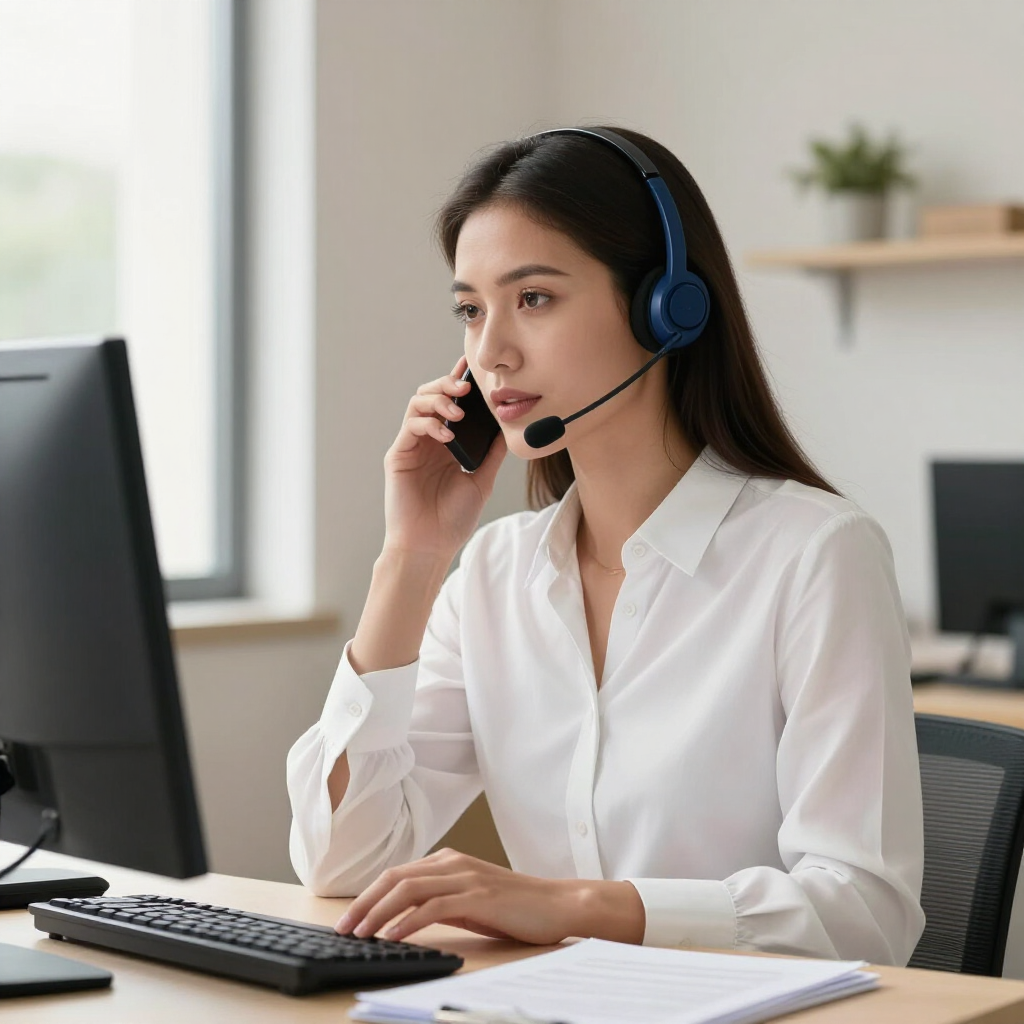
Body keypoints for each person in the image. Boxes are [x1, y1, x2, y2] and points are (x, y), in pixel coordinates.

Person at [286, 125, 925, 965]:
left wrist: (576, 906)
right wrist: (410, 556)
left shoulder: (814, 555)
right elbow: (341, 861)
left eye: (535, 299)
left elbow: (864, 913)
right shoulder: (493, 573)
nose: (490, 353)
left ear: (667, 306)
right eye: (471, 310)